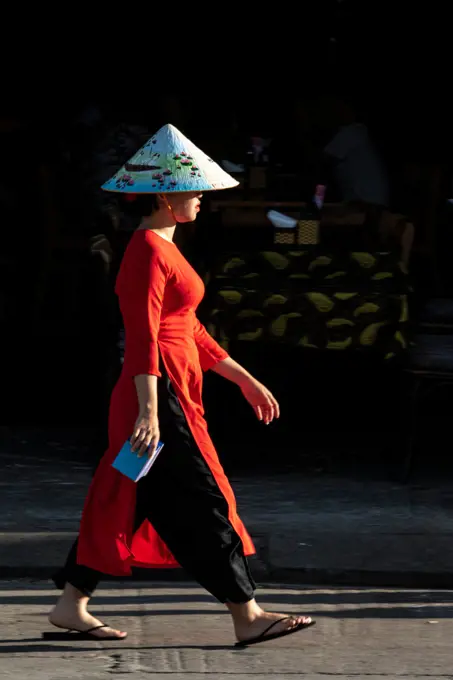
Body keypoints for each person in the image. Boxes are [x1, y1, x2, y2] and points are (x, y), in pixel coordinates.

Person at [44, 124, 314, 647]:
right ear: (166, 196)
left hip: (167, 390)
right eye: (194, 192)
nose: (200, 201)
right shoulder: (147, 249)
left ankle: (70, 602)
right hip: (158, 395)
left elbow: (190, 329)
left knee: (124, 493)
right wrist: (149, 412)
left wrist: (245, 379)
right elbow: (144, 335)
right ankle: (247, 613)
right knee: (203, 498)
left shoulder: (162, 247)